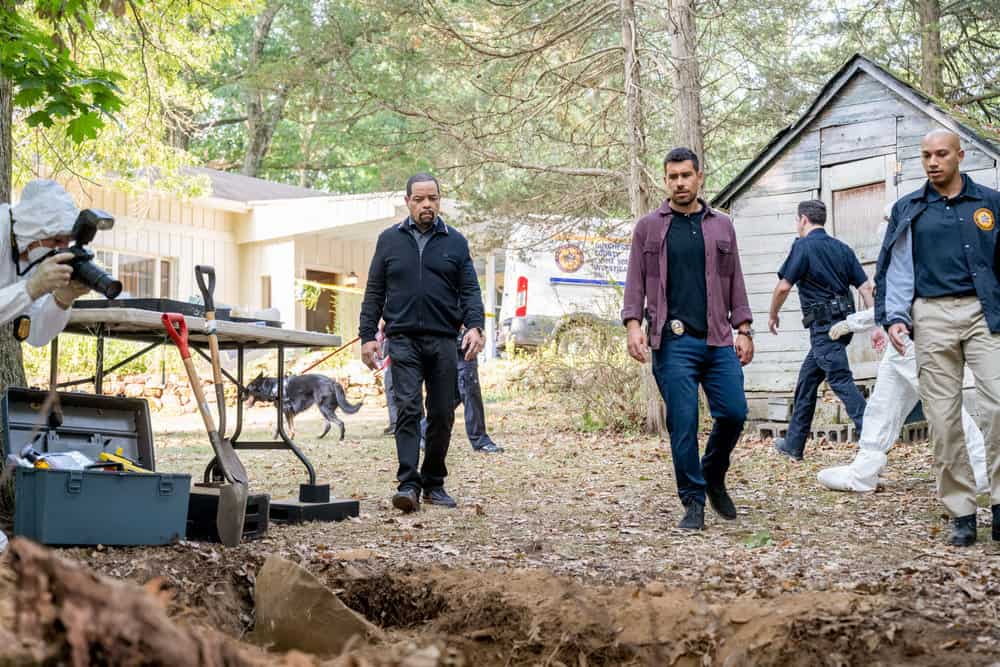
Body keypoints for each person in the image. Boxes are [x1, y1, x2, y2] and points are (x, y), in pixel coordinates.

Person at [875, 129, 1000, 547]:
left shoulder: (990, 204)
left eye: (941, 154)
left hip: (984, 313)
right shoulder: (908, 208)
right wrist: (894, 317)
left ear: (960, 156)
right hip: (930, 316)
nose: (933, 162)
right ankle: (962, 510)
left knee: (997, 407)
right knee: (944, 421)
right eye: (926, 155)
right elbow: (895, 267)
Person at [622, 147, 754, 531]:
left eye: (686, 175)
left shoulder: (721, 226)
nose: (680, 182)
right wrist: (633, 324)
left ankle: (712, 473)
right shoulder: (649, 227)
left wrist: (743, 328)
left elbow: (735, 280)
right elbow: (634, 280)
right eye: (672, 176)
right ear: (665, 181)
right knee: (683, 422)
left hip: (717, 339)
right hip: (671, 341)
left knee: (733, 413)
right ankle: (693, 502)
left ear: (699, 178)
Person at [359, 173, 485, 513]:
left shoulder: (455, 242)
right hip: (402, 340)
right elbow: (374, 291)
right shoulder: (389, 241)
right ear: (407, 202)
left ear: (439, 201)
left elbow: (470, 289)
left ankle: (434, 483)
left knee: (443, 412)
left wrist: (475, 325)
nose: (426, 204)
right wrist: (367, 336)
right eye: (419, 199)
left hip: (444, 341)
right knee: (409, 410)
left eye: (432, 198)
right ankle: (408, 485)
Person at [818, 307, 988, 493]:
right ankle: (863, 471)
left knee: (942, 404)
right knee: (883, 405)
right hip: (901, 336)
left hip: (914, 334)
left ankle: (982, 466)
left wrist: (855, 322)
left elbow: (899, 294)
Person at [769, 200, 874, 461]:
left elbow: (783, 287)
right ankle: (793, 445)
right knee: (807, 382)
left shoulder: (803, 246)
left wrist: (773, 314)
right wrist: (875, 322)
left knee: (840, 380)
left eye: (796, 221)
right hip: (842, 326)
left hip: (824, 328)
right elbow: (866, 288)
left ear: (803, 219)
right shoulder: (842, 249)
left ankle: (873, 436)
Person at [0, 179, 91, 345]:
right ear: (32, 229)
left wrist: (62, 299)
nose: (61, 249)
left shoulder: (31, 259)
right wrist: (31, 288)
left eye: (66, 242)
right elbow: (28, 290)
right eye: (56, 240)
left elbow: (36, 335)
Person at [419, 328, 504, 454]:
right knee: (469, 391)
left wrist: (479, 331)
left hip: (459, 342)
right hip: (453, 342)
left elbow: (471, 310)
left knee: (455, 395)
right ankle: (480, 441)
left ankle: (422, 429)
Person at [376, 320, 397, 436]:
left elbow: (383, 321)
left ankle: (395, 423)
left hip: (395, 341)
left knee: (391, 387)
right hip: (394, 339)